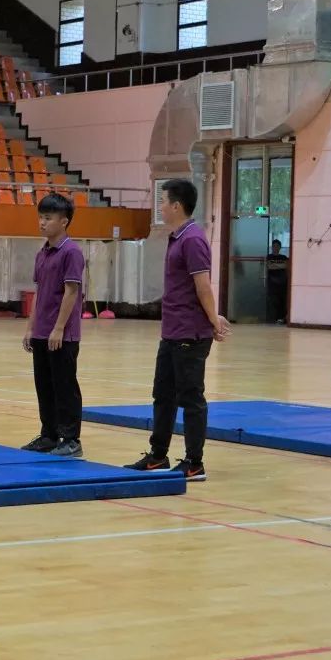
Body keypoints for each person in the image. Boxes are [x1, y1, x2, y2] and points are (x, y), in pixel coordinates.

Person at [124, 178, 231, 482]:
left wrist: (213, 321)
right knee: (163, 395)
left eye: (163, 201)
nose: (159, 207)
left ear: (176, 205)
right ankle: (158, 456)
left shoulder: (193, 239)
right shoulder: (177, 237)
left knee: (191, 397)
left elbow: (203, 286)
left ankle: (194, 463)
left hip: (189, 333)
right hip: (171, 331)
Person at [21, 193, 85, 458]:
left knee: (64, 386)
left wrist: (58, 328)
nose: (42, 222)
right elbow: (39, 291)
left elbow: (71, 293)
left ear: (64, 221)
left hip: (62, 334)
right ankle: (49, 434)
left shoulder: (71, 252)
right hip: (42, 331)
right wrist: (31, 328)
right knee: (44, 385)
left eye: (48, 218)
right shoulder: (43, 253)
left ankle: (71, 439)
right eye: (41, 217)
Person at [266, 239, 288, 323]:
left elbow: (286, 265)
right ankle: (272, 319)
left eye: (277, 246)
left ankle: (281, 319)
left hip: (282, 284)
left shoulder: (283, 257)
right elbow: (269, 266)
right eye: (274, 246)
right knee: (273, 301)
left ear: (280, 247)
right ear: (272, 247)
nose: (275, 248)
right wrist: (280, 265)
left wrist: (275, 265)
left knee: (282, 302)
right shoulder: (269, 257)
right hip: (272, 284)